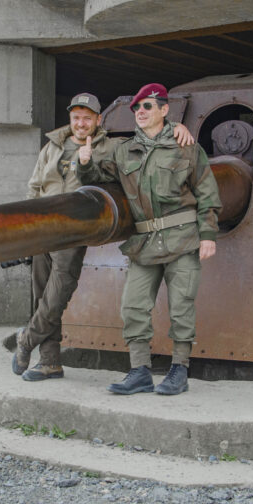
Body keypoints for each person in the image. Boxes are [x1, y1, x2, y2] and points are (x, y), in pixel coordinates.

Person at [12, 92, 195, 382]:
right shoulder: (52, 146)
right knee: (41, 297)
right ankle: (49, 363)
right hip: (41, 231)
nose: (81, 123)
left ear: (98, 120)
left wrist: (176, 128)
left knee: (56, 296)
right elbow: (34, 188)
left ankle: (26, 340)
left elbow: (149, 141)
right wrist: (25, 231)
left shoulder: (111, 147)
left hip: (73, 232)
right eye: (76, 117)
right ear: (70, 118)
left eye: (87, 118)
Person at [78, 83, 221, 396]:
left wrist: (208, 234)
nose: (140, 112)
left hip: (182, 239)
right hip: (144, 242)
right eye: (136, 109)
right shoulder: (124, 151)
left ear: (164, 110)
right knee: (133, 306)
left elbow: (207, 193)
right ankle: (140, 371)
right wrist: (85, 162)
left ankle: (179, 370)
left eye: (147, 107)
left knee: (181, 307)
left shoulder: (187, 148)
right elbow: (98, 178)